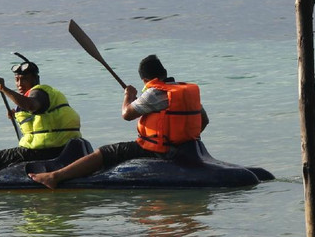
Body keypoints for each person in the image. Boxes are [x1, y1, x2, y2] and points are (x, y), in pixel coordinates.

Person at [29, 54, 208, 189]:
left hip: (157, 150)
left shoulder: (154, 93)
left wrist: (128, 97)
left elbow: (127, 114)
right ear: (164, 73)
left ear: (146, 80)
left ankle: (55, 177)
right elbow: (204, 120)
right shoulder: (183, 91)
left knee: (104, 152)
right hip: (186, 147)